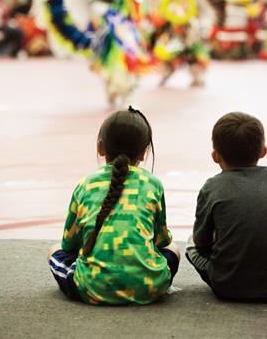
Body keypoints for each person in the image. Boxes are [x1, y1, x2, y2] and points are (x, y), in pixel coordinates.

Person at [47, 106, 181, 305]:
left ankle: (95, 280)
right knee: (175, 249)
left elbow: (68, 245)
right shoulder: (153, 183)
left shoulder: (86, 184)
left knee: (54, 250)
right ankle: (144, 281)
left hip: (92, 288)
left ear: (100, 147)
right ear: (144, 152)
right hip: (150, 286)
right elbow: (161, 240)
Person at [185, 112, 267, 302]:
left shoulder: (212, 187)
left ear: (215, 156)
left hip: (227, 286)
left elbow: (200, 243)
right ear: (263, 151)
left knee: (189, 245)